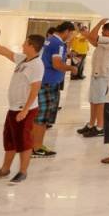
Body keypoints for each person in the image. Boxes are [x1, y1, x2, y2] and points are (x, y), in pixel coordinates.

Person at [0, 33, 44, 184]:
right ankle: (5, 169)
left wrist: (25, 111)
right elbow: (7, 52)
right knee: (9, 140)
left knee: (24, 142)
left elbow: (35, 89)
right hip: (13, 108)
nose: (23, 45)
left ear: (32, 46)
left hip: (24, 110)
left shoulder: (36, 65)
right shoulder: (24, 59)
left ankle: (23, 172)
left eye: (25, 43)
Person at [32, 22, 78, 158]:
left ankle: (35, 144)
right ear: (67, 31)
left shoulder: (49, 40)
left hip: (43, 81)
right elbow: (57, 64)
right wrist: (72, 68)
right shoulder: (58, 44)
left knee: (38, 116)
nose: (71, 37)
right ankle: (36, 147)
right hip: (48, 83)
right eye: (72, 34)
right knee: (42, 118)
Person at [77, 18, 109, 138]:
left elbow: (93, 36)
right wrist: (85, 34)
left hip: (103, 76)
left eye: (103, 31)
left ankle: (100, 127)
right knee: (93, 101)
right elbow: (92, 39)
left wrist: (99, 23)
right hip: (96, 75)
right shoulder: (104, 41)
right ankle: (91, 124)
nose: (102, 33)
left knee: (99, 102)